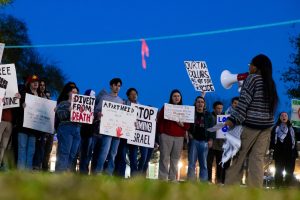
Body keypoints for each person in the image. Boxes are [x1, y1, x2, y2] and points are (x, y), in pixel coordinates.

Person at [224, 54, 279, 187]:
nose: (249, 67)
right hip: (266, 128)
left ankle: (230, 187)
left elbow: (243, 104)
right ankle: (255, 191)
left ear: (256, 67)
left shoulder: (252, 79)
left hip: (251, 126)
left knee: (239, 157)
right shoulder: (270, 82)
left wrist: (231, 121)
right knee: (257, 160)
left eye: (251, 64)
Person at [92, 78, 123, 175]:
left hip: (117, 131)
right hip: (107, 129)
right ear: (111, 86)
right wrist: (98, 114)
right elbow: (96, 110)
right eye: (115, 85)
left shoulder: (121, 101)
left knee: (113, 153)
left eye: (119, 86)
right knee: (104, 151)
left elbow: (123, 116)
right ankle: (98, 171)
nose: (117, 87)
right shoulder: (104, 98)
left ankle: (109, 172)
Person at [157, 89, 190, 181]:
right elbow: (160, 121)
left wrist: (182, 125)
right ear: (171, 97)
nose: (176, 98)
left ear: (181, 98)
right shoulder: (166, 107)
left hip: (179, 137)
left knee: (175, 158)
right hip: (166, 135)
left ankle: (172, 178)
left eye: (178, 96)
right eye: (174, 96)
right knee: (164, 157)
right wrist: (161, 134)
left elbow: (187, 125)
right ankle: (163, 178)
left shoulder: (184, 109)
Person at [55, 82, 81, 172]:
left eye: (76, 92)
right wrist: (69, 111)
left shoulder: (80, 106)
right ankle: (60, 172)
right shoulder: (63, 103)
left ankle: (67, 171)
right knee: (64, 151)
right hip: (66, 127)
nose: (75, 93)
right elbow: (60, 116)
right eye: (72, 91)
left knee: (73, 153)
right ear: (68, 93)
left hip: (77, 129)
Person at [16, 75, 40, 170]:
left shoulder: (41, 97)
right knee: (22, 149)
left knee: (31, 151)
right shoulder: (23, 94)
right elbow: (16, 109)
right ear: (29, 83)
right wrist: (21, 105)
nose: (36, 83)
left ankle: (27, 173)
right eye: (33, 82)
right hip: (23, 127)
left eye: (37, 82)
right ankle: (20, 173)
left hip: (33, 129)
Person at [187, 96, 213, 181]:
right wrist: (188, 133)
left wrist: (211, 139)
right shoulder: (191, 113)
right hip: (193, 141)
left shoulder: (208, 115)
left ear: (204, 104)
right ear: (195, 103)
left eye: (202, 102)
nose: (200, 104)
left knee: (204, 164)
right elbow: (187, 125)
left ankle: (203, 182)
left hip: (204, 142)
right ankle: (190, 181)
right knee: (191, 163)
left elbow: (212, 128)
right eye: (198, 102)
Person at [270, 112, 298, 187]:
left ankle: (287, 186)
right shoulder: (275, 128)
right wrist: (271, 149)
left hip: (291, 154)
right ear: (279, 118)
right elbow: (272, 140)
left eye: (285, 115)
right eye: (282, 115)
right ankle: (278, 186)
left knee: (289, 171)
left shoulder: (293, 129)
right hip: (279, 153)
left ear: (288, 118)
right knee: (278, 171)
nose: (284, 117)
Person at [32, 79, 53, 171]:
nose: (42, 86)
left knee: (41, 148)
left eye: (44, 85)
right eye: (40, 85)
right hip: (33, 125)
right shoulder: (34, 95)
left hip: (43, 128)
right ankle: (32, 164)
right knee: (34, 146)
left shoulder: (47, 98)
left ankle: (37, 166)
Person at [207, 101, 229, 184]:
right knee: (209, 162)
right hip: (212, 143)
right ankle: (208, 179)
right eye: (218, 108)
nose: (219, 110)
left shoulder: (225, 117)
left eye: (221, 108)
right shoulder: (210, 116)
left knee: (220, 164)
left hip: (221, 144)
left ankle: (218, 180)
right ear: (214, 108)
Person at [79, 89, 96, 174]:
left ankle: (84, 171)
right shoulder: (79, 106)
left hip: (90, 133)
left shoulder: (94, 108)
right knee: (81, 153)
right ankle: (81, 170)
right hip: (81, 132)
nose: (91, 99)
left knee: (87, 154)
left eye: (93, 97)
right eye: (90, 97)